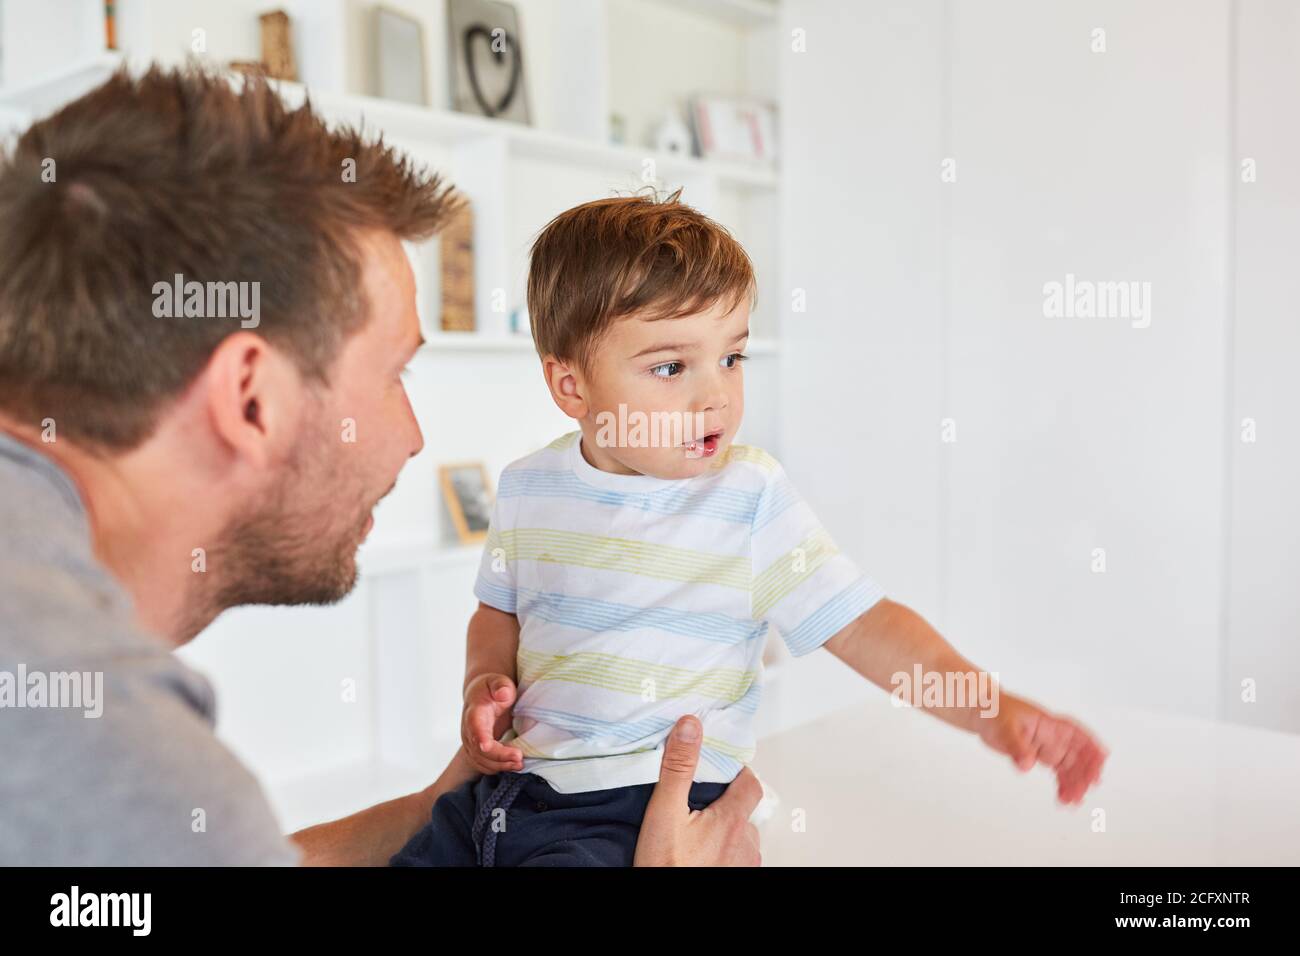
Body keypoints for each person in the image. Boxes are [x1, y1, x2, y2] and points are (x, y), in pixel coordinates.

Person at [0, 66, 761, 866]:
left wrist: (447, 803)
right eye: (396, 373)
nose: (415, 436)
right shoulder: (103, 743)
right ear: (251, 398)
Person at [391, 193, 1109, 867]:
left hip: (645, 807)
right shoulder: (528, 487)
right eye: (671, 365)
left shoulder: (749, 495)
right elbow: (498, 612)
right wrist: (480, 684)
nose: (716, 395)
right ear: (571, 385)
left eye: (731, 356)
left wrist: (990, 711)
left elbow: (866, 627)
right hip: (512, 790)